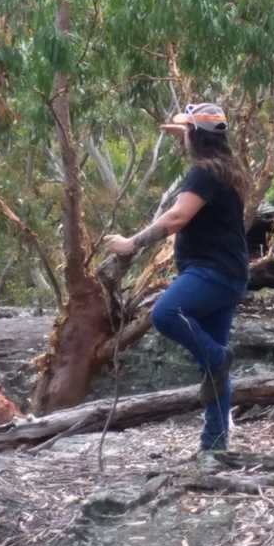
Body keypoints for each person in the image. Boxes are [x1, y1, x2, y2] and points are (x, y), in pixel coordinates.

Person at [104, 103, 250, 452]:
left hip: (211, 272)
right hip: (229, 274)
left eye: (186, 133)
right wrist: (181, 128)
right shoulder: (225, 169)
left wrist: (131, 244)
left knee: (166, 314)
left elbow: (176, 218)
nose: (181, 138)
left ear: (195, 137)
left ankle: (218, 359)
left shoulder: (202, 173)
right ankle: (214, 445)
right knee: (212, 369)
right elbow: (198, 133)